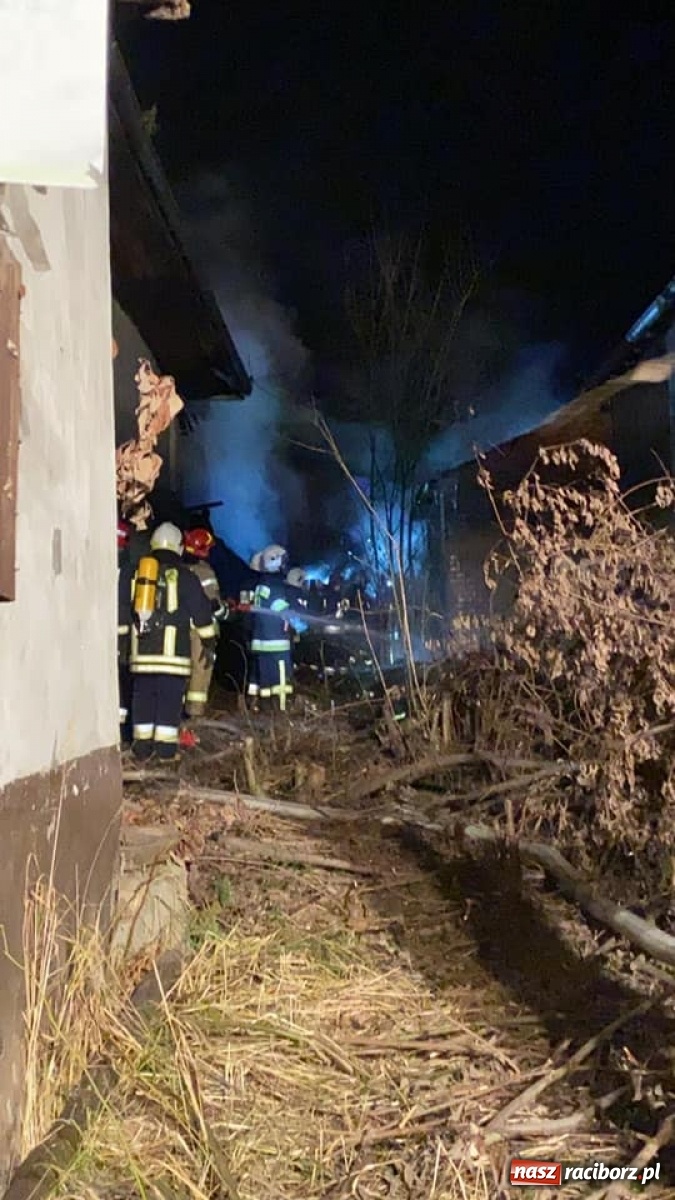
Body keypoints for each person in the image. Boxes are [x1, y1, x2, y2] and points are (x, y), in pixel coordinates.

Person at [118, 522, 217, 762]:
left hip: (141, 655)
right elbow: (202, 614)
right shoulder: (186, 576)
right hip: (174, 658)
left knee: (142, 698)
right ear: (178, 547)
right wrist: (209, 640)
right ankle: (164, 753)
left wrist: (122, 643)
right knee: (168, 701)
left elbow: (121, 609)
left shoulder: (134, 573)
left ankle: (141, 749)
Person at [183, 527, 226, 717]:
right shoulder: (204, 572)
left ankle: (179, 712)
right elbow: (213, 604)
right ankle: (195, 713)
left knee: (183, 670)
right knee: (201, 671)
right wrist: (226, 611)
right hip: (201, 632)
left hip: (179, 629)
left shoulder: (179, 569)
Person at [247, 544, 295, 712]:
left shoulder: (262, 583)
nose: (285, 565)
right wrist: (297, 624)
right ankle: (282, 710)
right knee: (281, 677)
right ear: (275, 561)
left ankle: (265, 708)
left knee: (266, 677)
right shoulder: (276, 585)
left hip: (261, 640)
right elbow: (281, 608)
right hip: (276, 641)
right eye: (283, 560)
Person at [117, 517, 133, 746]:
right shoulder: (130, 570)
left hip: (104, 637)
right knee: (123, 681)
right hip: (124, 638)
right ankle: (123, 733)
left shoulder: (94, 560)